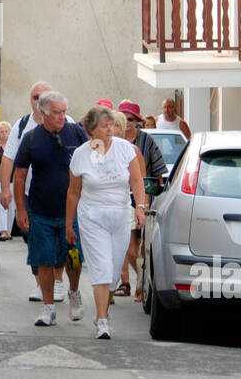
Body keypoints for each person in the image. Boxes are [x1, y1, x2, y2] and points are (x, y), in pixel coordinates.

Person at [67, 105, 148, 339]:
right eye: (104, 126)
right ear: (91, 131)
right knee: (101, 267)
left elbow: (136, 182)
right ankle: (102, 320)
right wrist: (68, 224)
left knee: (113, 271)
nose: (110, 129)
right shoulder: (81, 155)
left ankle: (104, 305)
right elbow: (73, 192)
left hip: (120, 215)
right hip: (92, 216)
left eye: (111, 124)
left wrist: (140, 208)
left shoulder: (126, 150)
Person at [0, 81, 79, 304]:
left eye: (43, 97)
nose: (38, 101)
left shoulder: (70, 126)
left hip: (65, 196)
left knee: (61, 242)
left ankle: (58, 282)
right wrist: (5, 188)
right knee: (34, 240)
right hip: (31, 194)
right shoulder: (23, 127)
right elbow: (10, 159)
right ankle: (42, 284)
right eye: (35, 97)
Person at [13, 91, 87, 326]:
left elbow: (92, 163)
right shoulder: (32, 139)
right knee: (43, 260)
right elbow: (21, 175)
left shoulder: (76, 133)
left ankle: (74, 292)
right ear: (43, 113)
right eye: (57, 113)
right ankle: (48, 308)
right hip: (41, 211)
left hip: (71, 212)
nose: (62, 117)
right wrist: (20, 210)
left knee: (73, 258)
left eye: (64, 112)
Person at [117, 100, 168, 301]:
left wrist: (149, 201)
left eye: (130, 119)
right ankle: (135, 282)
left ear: (137, 121)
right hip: (121, 201)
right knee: (128, 250)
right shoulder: (113, 141)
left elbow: (159, 173)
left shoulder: (146, 142)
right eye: (123, 118)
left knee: (143, 247)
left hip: (144, 200)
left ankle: (142, 284)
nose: (126, 122)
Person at [0, 121, 13, 239]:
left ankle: (9, 230)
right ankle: (3, 230)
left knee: (11, 207)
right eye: (2, 132)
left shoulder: (14, 147)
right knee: (2, 205)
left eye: (6, 131)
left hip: (12, 180)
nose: (4, 134)